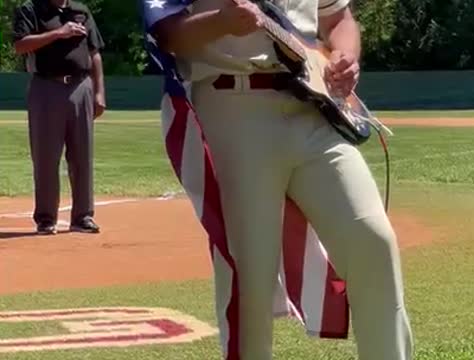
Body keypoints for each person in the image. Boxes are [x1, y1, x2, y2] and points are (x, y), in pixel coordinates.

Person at [146, 0, 413, 358]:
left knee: (373, 241)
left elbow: (338, 19)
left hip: (314, 108)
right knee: (251, 278)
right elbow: (167, 32)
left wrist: (346, 56)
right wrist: (222, 22)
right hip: (233, 106)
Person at [12, 0, 105, 235]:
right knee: (45, 157)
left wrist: (99, 91)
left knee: (82, 155)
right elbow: (20, 45)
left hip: (80, 86)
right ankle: (46, 218)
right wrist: (58, 33)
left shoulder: (81, 11)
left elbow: (94, 52)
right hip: (46, 86)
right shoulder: (31, 9)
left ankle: (83, 217)